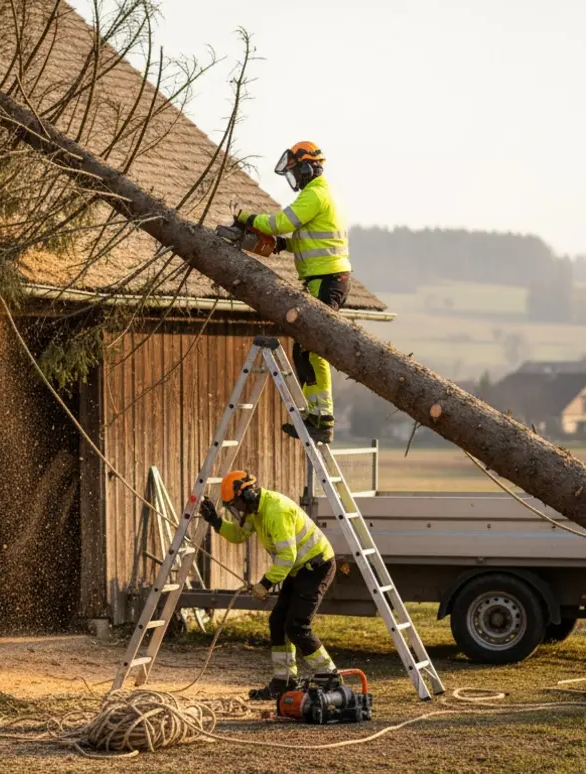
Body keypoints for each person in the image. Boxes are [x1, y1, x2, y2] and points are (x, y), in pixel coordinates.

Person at [235, 141, 350, 444]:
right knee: (303, 349)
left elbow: (279, 222)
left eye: (294, 173)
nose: (294, 180)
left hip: (327, 279)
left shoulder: (315, 194)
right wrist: (284, 246)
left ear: (307, 167)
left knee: (313, 347)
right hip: (322, 278)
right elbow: (309, 239)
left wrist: (248, 219)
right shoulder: (321, 195)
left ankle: (323, 419)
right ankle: (315, 413)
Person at [198, 470, 339, 700]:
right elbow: (238, 535)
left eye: (237, 505)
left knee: (296, 625)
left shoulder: (276, 511)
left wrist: (264, 584)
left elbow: (287, 556)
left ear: (249, 495)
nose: (238, 511)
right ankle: (284, 681)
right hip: (298, 568)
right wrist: (215, 521)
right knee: (277, 622)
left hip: (316, 566)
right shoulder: (255, 511)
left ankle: (329, 676)